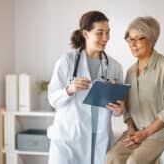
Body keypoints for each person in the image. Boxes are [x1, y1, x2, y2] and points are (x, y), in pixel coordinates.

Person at [47, 11, 125, 164]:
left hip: (99, 136)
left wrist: (120, 109)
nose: (106, 38)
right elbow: (52, 99)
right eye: (100, 32)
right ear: (86, 33)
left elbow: (119, 107)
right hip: (69, 137)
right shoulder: (67, 62)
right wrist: (69, 90)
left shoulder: (114, 67)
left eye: (108, 32)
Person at [106, 16, 164, 164]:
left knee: (134, 161)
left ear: (151, 40)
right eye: (129, 39)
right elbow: (128, 109)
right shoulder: (131, 72)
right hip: (137, 132)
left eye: (138, 39)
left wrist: (145, 133)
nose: (132, 44)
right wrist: (131, 127)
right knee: (112, 157)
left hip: (161, 133)